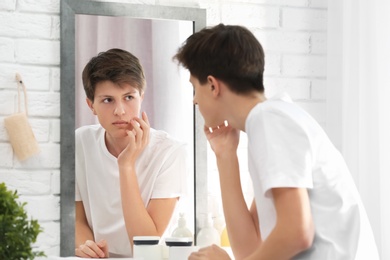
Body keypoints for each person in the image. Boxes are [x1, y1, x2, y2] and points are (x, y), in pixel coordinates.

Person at [174, 24, 379, 260]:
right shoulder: (273, 120)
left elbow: (297, 233)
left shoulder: (270, 120)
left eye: (194, 88)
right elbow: (249, 249)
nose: (194, 101)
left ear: (212, 85)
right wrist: (225, 155)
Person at [75, 48, 188, 258]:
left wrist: (126, 165)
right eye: (108, 100)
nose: (120, 111)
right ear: (91, 105)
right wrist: (89, 248)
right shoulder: (81, 142)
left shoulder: (169, 152)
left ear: (141, 97)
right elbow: (77, 218)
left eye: (128, 97)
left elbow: (146, 247)